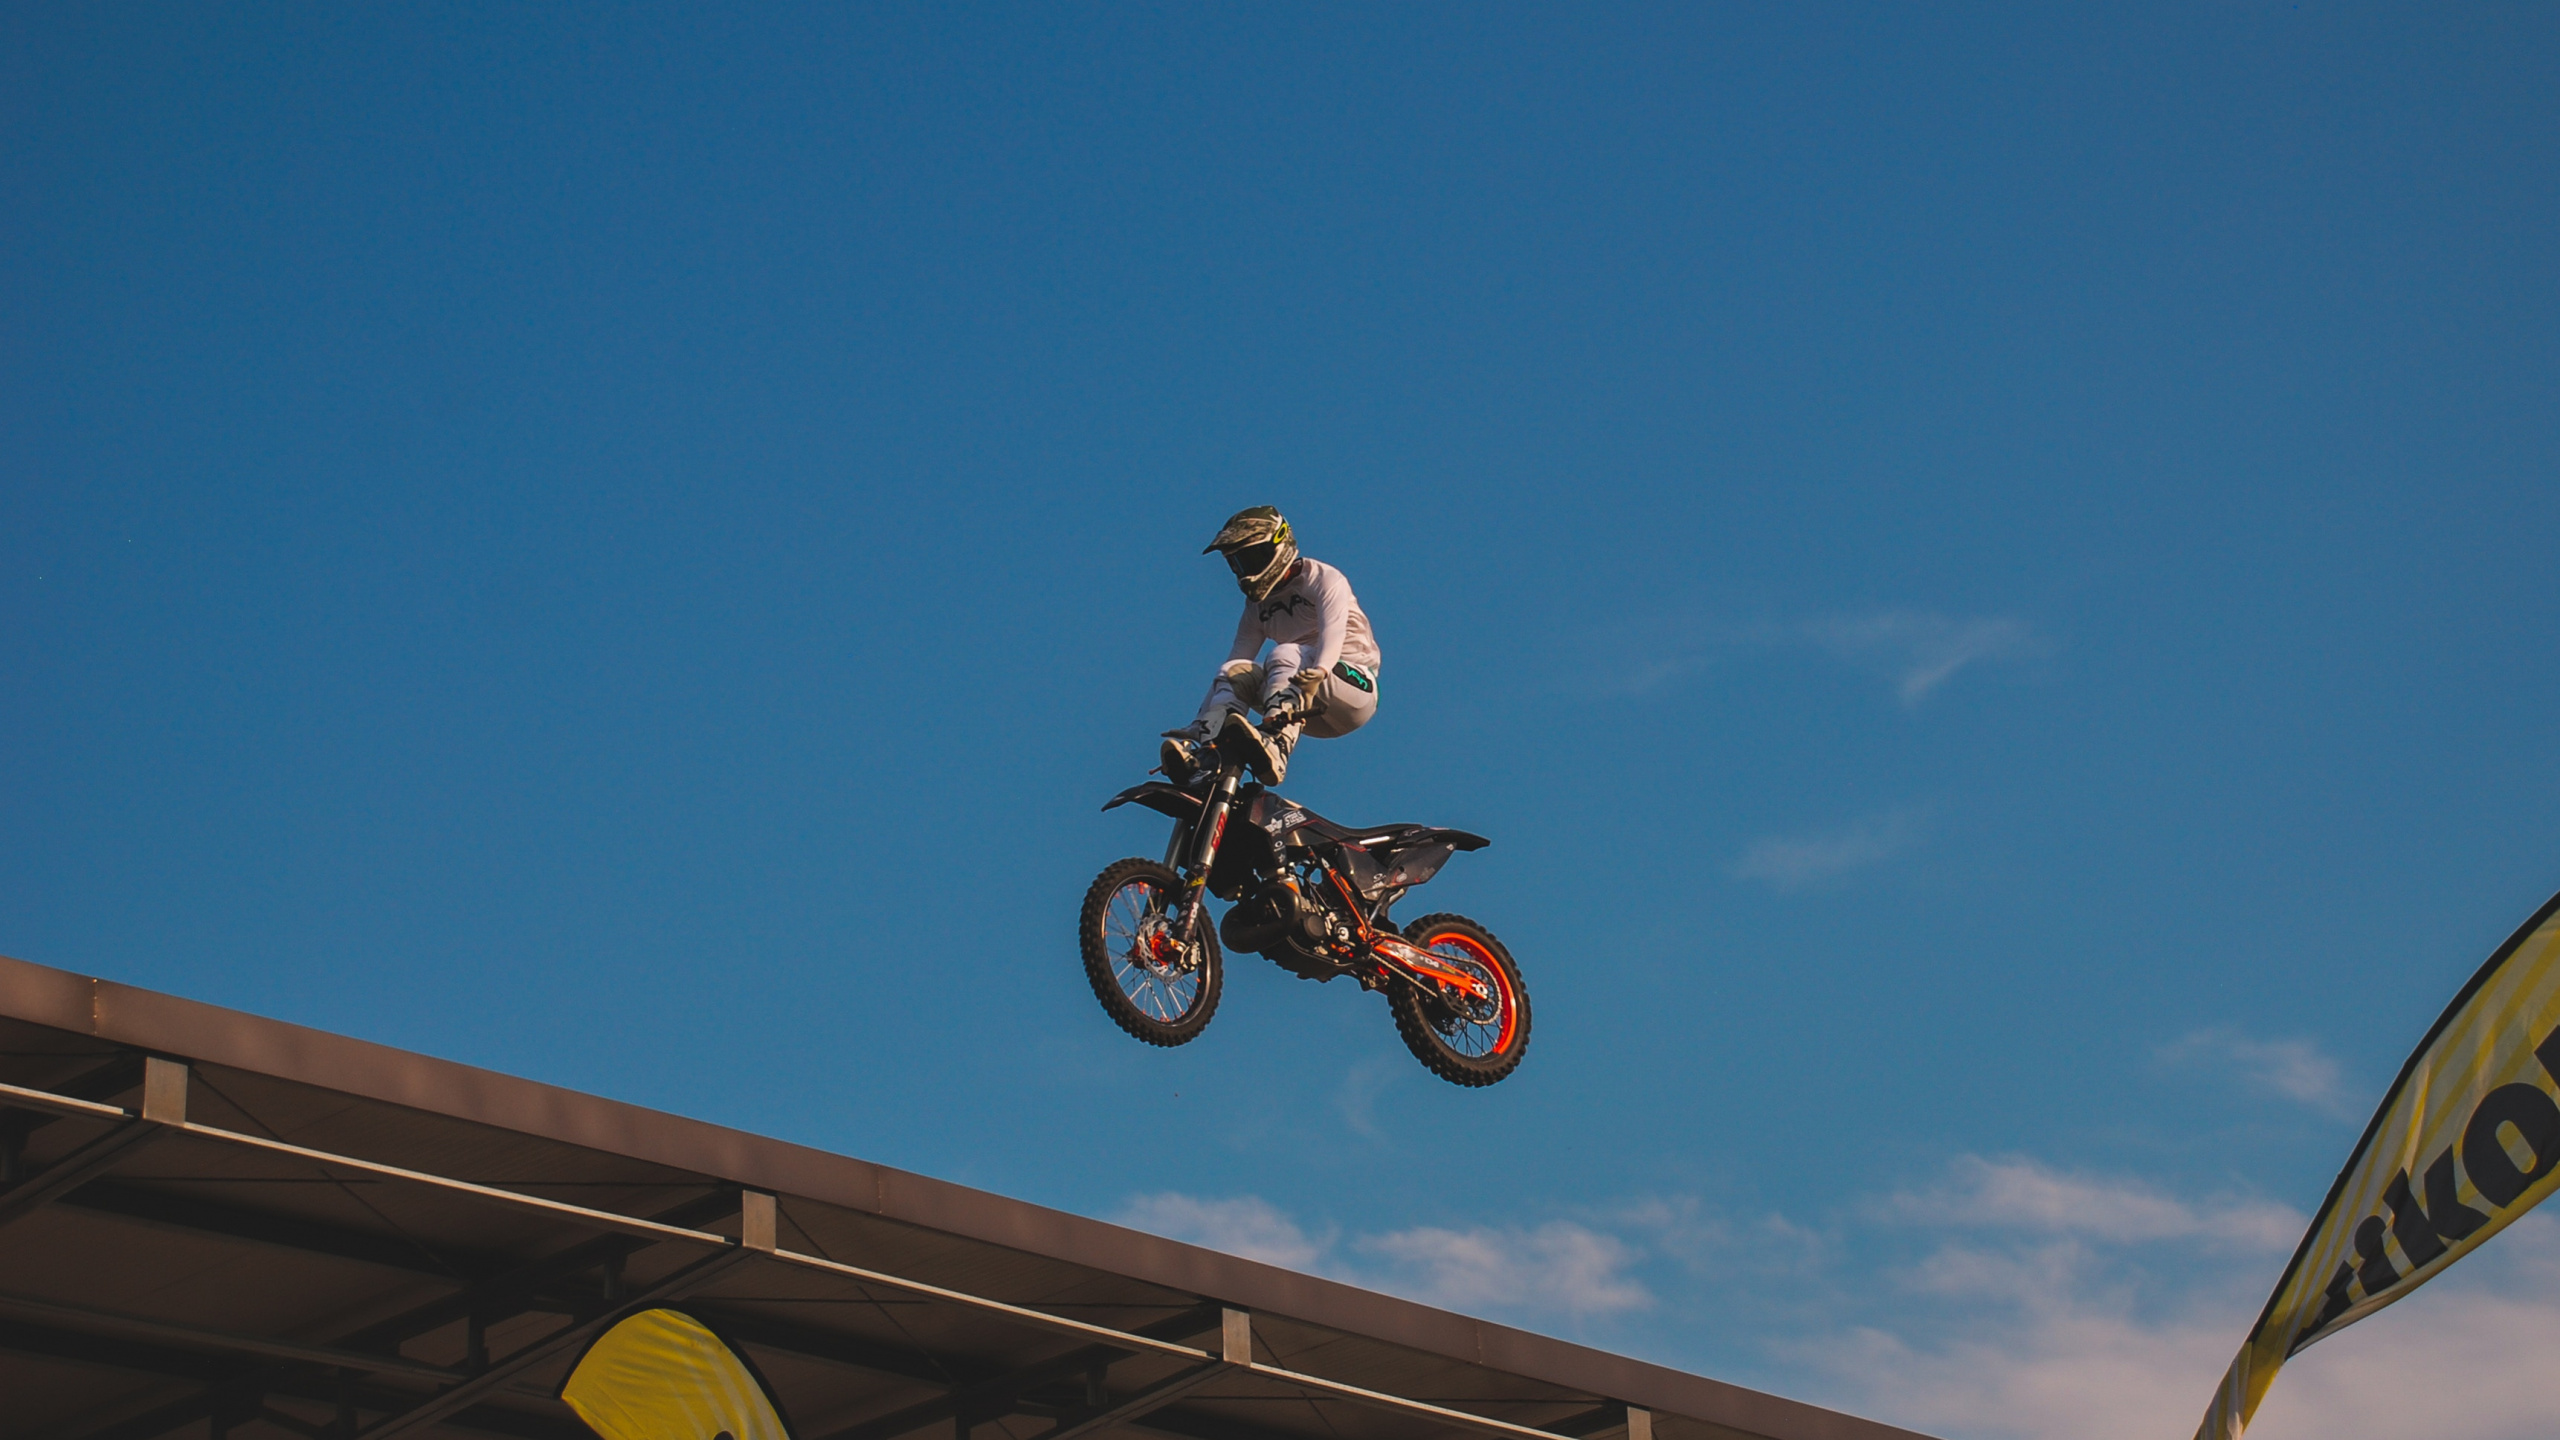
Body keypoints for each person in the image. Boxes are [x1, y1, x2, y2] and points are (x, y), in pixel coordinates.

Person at [1161, 506, 1380, 787]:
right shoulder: (1257, 607)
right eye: (1237, 564)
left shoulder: (1323, 578)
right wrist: (1200, 720)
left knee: (1285, 652)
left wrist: (1322, 670)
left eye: (1251, 558)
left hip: (1353, 689)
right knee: (1236, 670)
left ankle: (1277, 747)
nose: (1245, 571)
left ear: (1278, 546)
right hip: (1303, 704)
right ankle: (1209, 754)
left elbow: (1333, 629)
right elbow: (1234, 662)